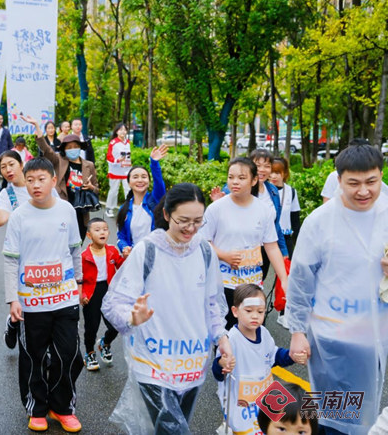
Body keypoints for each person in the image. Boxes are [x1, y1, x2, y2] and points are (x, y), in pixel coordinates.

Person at [102, 183, 234, 435]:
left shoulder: (205, 251)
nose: (191, 228)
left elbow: (212, 303)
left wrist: (222, 338)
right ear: (166, 214)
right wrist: (131, 318)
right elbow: (114, 302)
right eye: (183, 220)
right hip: (153, 362)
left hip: (192, 362)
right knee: (173, 431)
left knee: (174, 426)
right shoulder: (148, 250)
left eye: (198, 221)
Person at [287, 143, 388, 435]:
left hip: (378, 331)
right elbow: (300, 280)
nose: (364, 191)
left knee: (367, 408)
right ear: (338, 179)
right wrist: (297, 331)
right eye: (353, 183)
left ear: (381, 175)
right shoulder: (320, 221)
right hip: (334, 334)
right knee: (334, 412)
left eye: (371, 181)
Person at [2, 157, 84, 433]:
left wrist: (79, 283)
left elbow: (75, 250)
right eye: (30, 180)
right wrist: (13, 299)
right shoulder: (19, 216)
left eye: (41, 179)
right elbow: (10, 259)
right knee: (33, 358)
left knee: (69, 355)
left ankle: (61, 407)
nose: (36, 185)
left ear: (53, 180)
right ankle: (37, 408)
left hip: (65, 298)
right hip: (31, 303)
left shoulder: (66, 210)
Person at [0, 150, 59, 350]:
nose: (7, 170)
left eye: (11, 164)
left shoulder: (42, 185)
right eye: (3, 167)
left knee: (46, 299)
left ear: (22, 164)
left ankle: (42, 341)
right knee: (26, 302)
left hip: (49, 252)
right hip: (22, 257)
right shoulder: (7, 194)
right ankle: (15, 324)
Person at [200, 157, 288, 330]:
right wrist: (224, 255)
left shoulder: (263, 210)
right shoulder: (216, 208)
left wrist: (284, 279)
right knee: (223, 332)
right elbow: (202, 242)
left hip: (252, 284)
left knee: (251, 330)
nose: (234, 182)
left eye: (241, 178)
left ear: (254, 180)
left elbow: (271, 246)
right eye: (231, 177)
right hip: (223, 283)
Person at [212, 284, 307, 435]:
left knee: (283, 426)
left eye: (260, 311)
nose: (255, 316)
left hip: (265, 396)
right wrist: (222, 364)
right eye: (249, 311)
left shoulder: (263, 332)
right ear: (235, 311)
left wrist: (291, 356)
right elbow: (217, 372)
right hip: (242, 404)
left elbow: (274, 355)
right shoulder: (230, 340)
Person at [31, 115, 99, 241]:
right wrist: (36, 126)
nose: (72, 149)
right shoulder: (58, 161)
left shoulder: (89, 165)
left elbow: (97, 189)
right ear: (64, 149)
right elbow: (46, 149)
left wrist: (91, 187)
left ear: (80, 147)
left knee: (78, 242)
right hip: (62, 208)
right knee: (61, 242)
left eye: (75, 146)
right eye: (69, 147)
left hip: (81, 213)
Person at [81, 217, 124, 372]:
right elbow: (78, 278)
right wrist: (82, 294)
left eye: (105, 229)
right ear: (89, 235)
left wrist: (127, 257)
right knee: (91, 327)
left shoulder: (112, 251)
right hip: (91, 294)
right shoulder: (84, 255)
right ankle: (90, 353)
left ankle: (105, 343)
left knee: (115, 325)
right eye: (97, 230)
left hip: (109, 292)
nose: (102, 232)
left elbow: (122, 266)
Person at [116, 145, 168, 258]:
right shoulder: (124, 209)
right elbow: (121, 237)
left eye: (144, 177)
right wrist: (124, 248)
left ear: (149, 182)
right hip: (135, 257)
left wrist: (154, 163)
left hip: (157, 256)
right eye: (135, 177)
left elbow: (159, 183)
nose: (140, 180)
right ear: (129, 183)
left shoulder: (155, 200)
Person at [321, 138, 388, 203]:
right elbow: (327, 201)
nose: (363, 193)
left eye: (370, 182)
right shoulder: (334, 176)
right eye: (354, 184)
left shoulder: (374, 176)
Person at [269, 157, 301, 257]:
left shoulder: (291, 192)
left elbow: (295, 221)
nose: (273, 176)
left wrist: (299, 243)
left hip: (285, 238)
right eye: (271, 172)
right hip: (265, 239)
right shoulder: (262, 190)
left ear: (285, 173)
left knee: (286, 266)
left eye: (277, 173)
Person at [105, 123, 132, 218]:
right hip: (115, 170)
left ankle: (129, 208)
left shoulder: (127, 142)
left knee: (128, 190)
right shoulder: (113, 143)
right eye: (121, 130)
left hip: (126, 170)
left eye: (124, 130)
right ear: (116, 131)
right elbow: (109, 157)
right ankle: (109, 208)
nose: (123, 132)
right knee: (114, 190)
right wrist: (117, 160)